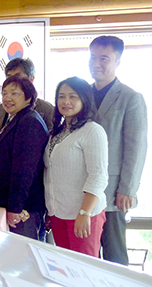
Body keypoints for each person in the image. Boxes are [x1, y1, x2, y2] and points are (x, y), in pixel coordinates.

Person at [88, 36, 148, 265]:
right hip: (83, 190)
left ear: (118, 61)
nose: (97, 63)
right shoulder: (81, 95)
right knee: (87, 255)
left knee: (114, 254)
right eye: (93, 57)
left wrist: (128, 189)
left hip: (113, 192)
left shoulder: (131, 98)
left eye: (104, 58)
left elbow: (136, 148)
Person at [44, 77, 108, 257]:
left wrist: (84, 212)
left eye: (73, 97)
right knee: (67, 269)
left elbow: (98, 175)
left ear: (84, 100)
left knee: (85, 272)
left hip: (82, 214)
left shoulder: (93, 130)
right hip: (58, 214)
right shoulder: (58, 131)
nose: (66, 101)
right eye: (61, 97)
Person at [0, 75, 49, 239]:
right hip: (10, 204)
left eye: (14, 94)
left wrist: (15, 208)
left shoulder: (29, 122)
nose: (7, 98)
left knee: (23, 257)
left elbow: (24, 170)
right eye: (4, 93)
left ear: (28, 97)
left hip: (23, 208)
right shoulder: (16, 118)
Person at [0, 58, 54, 131]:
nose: (13, 81)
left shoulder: (47, 110)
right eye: (9, 77)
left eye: (18, 77)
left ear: (31, 79)